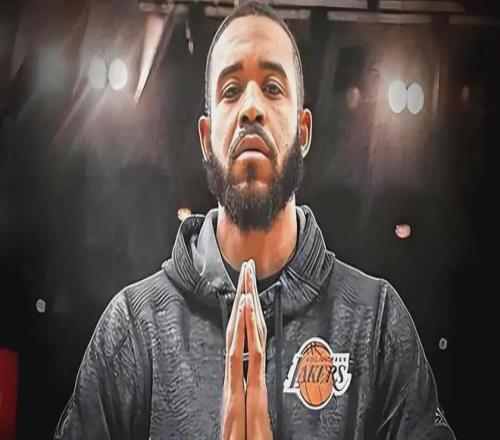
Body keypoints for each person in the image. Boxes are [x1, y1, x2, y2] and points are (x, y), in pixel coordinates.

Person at [55, 1, 455, 439]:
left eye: (272, 87)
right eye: (230, 90)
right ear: (206, 138)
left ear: (303, 132)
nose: (251, 107)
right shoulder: (133, 329)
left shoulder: (375, 322)